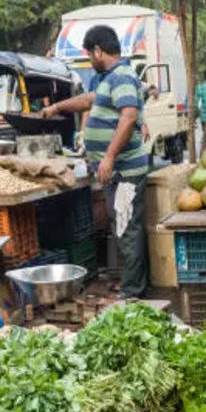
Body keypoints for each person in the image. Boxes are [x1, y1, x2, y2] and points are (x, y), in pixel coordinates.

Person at [40, 25, 149, 298]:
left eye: (89, 53)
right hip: (116, 172)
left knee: (127, 229)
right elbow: (87, 100)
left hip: (125, 171)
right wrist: (56, 107)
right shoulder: (108, 79)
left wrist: (109, 157)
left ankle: (134, 291)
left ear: (98, 51)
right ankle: (129, 284)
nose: (89, 59)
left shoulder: (122, 76)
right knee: (121, 227)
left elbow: (129, 117)